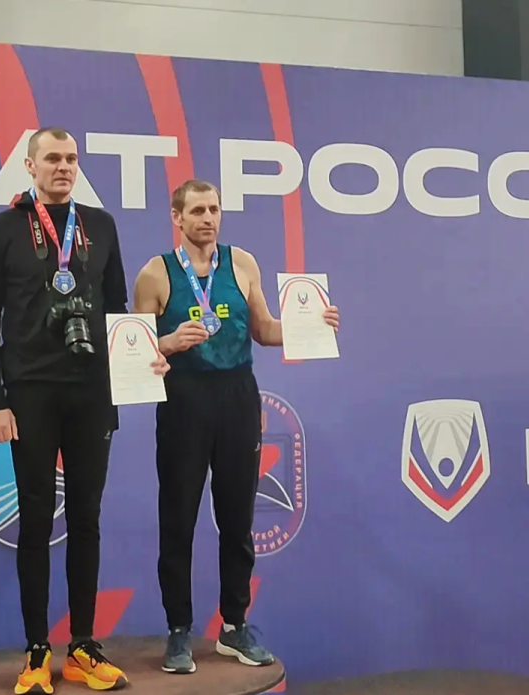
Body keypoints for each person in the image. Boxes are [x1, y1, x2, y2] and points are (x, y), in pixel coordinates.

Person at [0, 126, 168, 694]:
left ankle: (82, 645)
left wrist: (139, 363)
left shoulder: (100, 225)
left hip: (91, 393)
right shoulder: (2, 228)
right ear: (30, 166)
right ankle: (37, 650)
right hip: (29, 393)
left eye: (71, 158)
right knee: (36, 520)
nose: (63, 167)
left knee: (86, 518)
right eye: (53, 158)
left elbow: (117, 311)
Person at [132, 179, 340, 676]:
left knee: (237, 519)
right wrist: (168, 342)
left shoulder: (242, 263)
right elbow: (133, 349)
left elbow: (265, 329)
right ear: (177, 218)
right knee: (178, 520)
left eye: (214, 209)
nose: (207, 218)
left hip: (237, 397)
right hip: (184, 399)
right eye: (197, 210)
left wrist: (311, 326)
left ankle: (234, 625)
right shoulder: (155, 274)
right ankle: (179, 630)